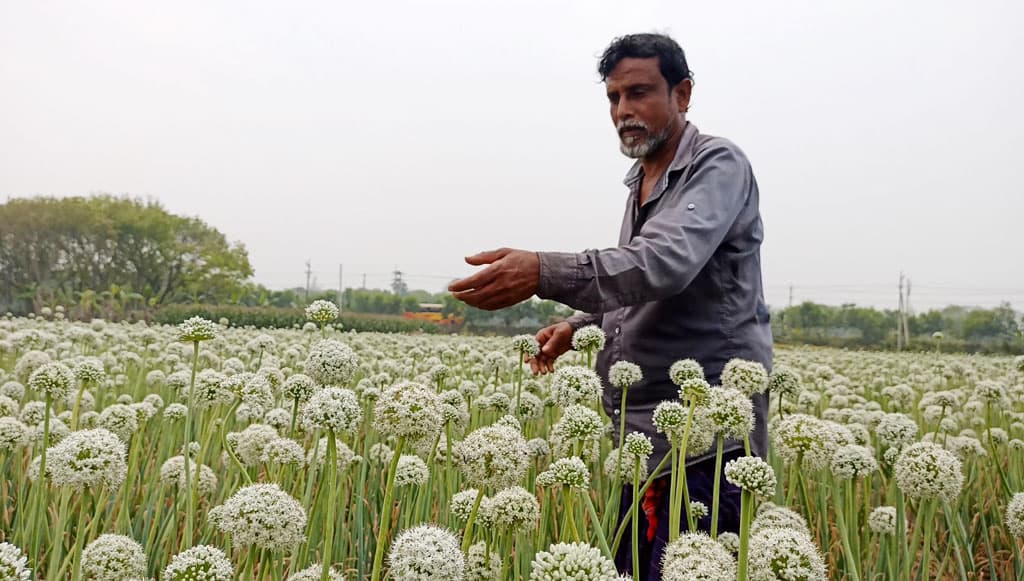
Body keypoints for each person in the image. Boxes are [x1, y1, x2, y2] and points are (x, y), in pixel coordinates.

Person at [448, 32, 772, 579]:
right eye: (614, 98)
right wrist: (581, 324)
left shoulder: (718, 165)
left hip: (707, 447)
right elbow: (638, 283)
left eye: (640, 92)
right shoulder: (642, 182)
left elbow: (664, 263)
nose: (624, 111)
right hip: (642, 440)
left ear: (683, 93)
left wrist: (542, 272)